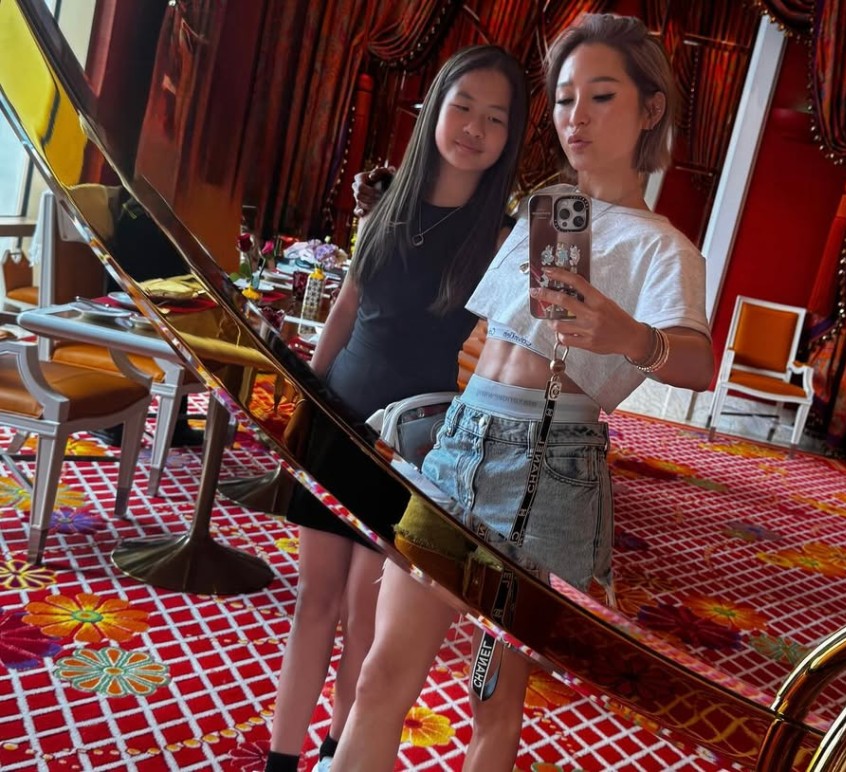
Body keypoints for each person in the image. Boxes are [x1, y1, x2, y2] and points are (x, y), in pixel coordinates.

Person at [331, 13, 715, 772]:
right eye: (565, 99)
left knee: (494, 700)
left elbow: (699, 364)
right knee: (381, 675)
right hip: (460, 445)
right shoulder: (546, 210)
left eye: (601, 96)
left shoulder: (663, 247)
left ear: (650, 109)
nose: (576, 117)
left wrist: (630, 337)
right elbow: (496, 329)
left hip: (548, 468)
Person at [265, 45, 527, 772]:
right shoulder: (387, 206)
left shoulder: (499, 241)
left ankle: (336, 752)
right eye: (463, 106)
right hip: (337, 420)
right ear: (435, 108)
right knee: (313, 602)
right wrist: (307, 402)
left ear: (510, 136)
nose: (474, 127)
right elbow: (346, 308)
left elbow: (515, 353)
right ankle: (281, 759)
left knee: (365, 617)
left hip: (412, 449)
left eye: (495, 118)